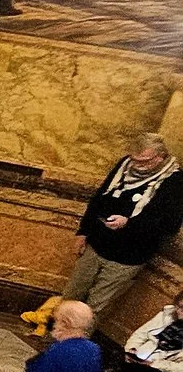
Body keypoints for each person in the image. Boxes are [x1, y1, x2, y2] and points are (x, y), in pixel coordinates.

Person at [59, 134, 183, 318]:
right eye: (134, 160)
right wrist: (83, 231)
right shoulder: (125, 165)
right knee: (71, 295)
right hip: (97, 245)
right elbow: (100, 197)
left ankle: (77, 345)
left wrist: (129, 223)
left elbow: (168, 225)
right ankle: (55, 337)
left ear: (160, 157)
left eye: (144, 161)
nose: (137, 165)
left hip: (127, 257)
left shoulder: (175, 181)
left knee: (94, 308)